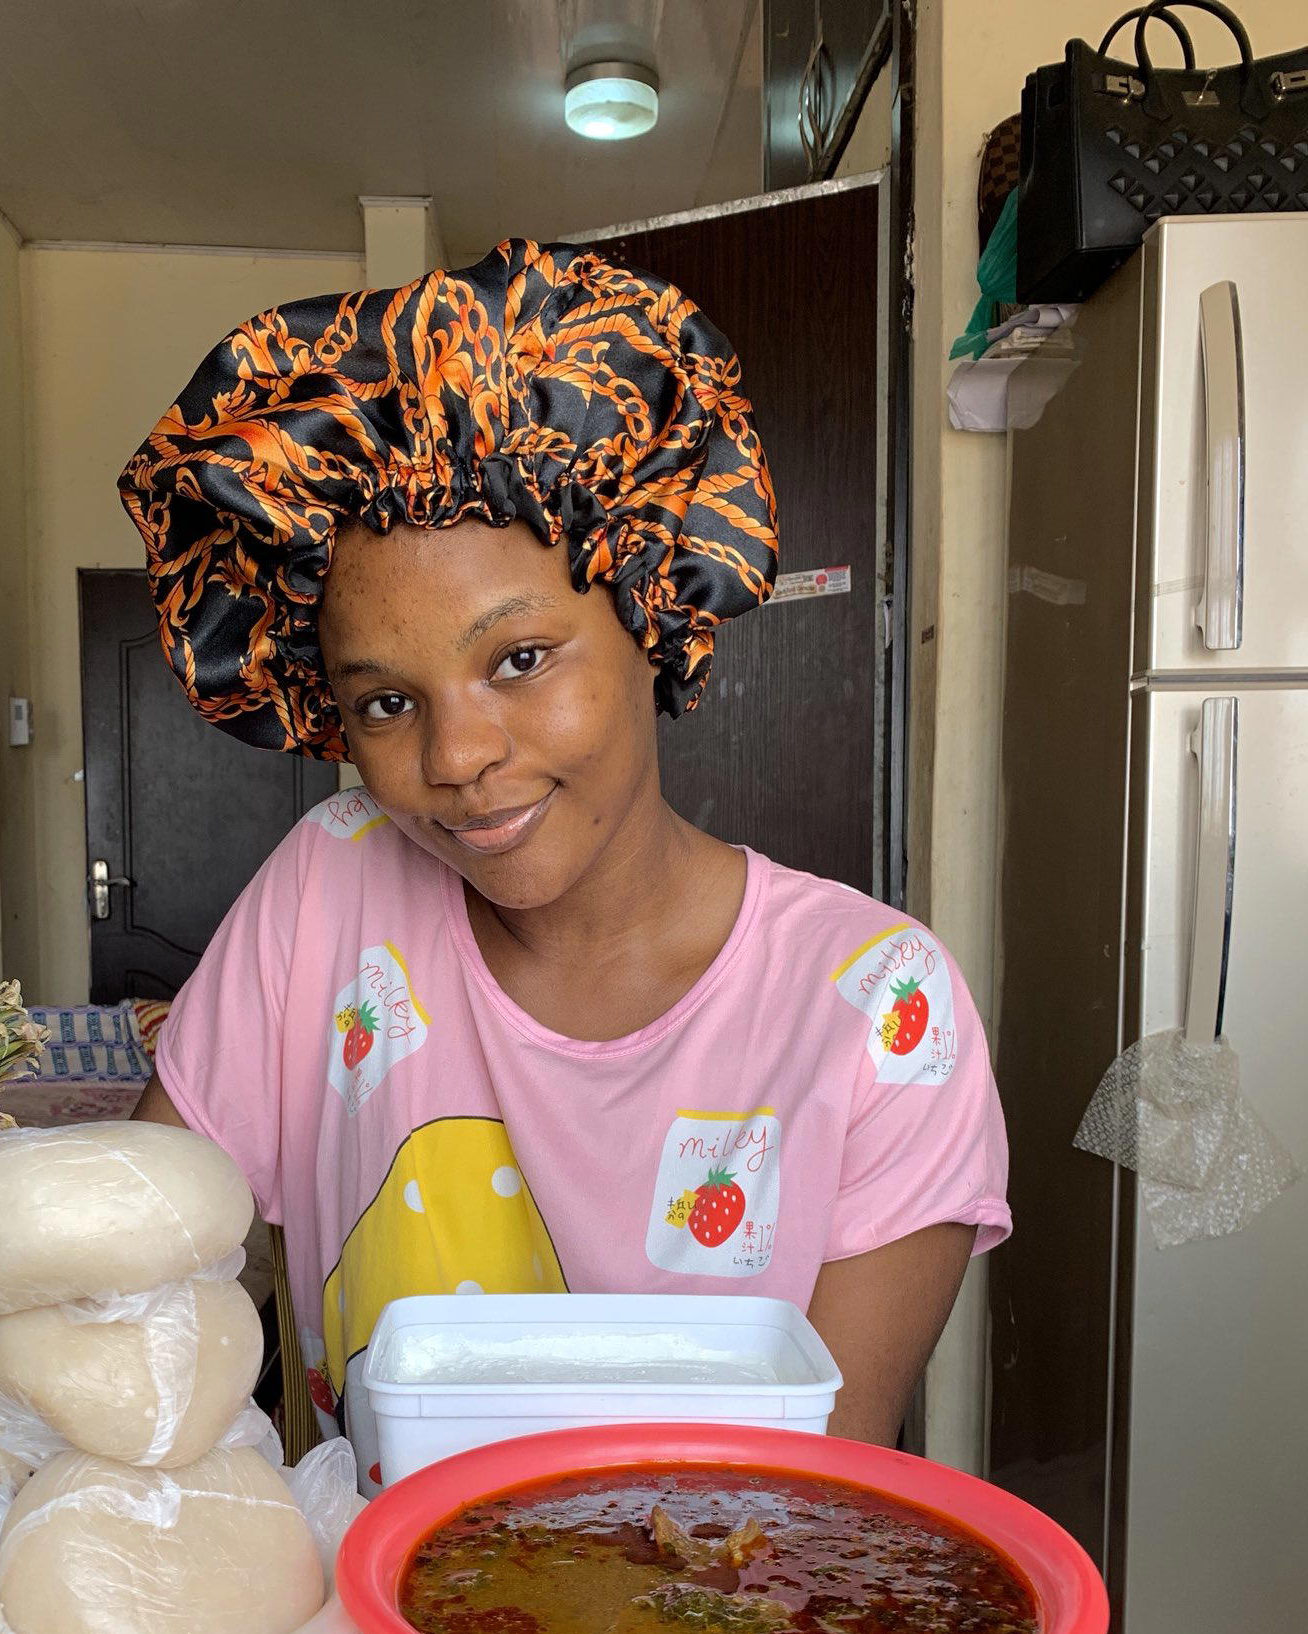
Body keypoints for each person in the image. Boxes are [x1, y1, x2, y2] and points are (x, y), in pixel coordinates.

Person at [120, 240, 1009, 1486]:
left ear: (652, 614)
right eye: (385, 702)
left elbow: (819, 1491)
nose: (460, 755)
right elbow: (132, 1266)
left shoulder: (880, 1009)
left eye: (521, 658)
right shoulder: (329, 890)